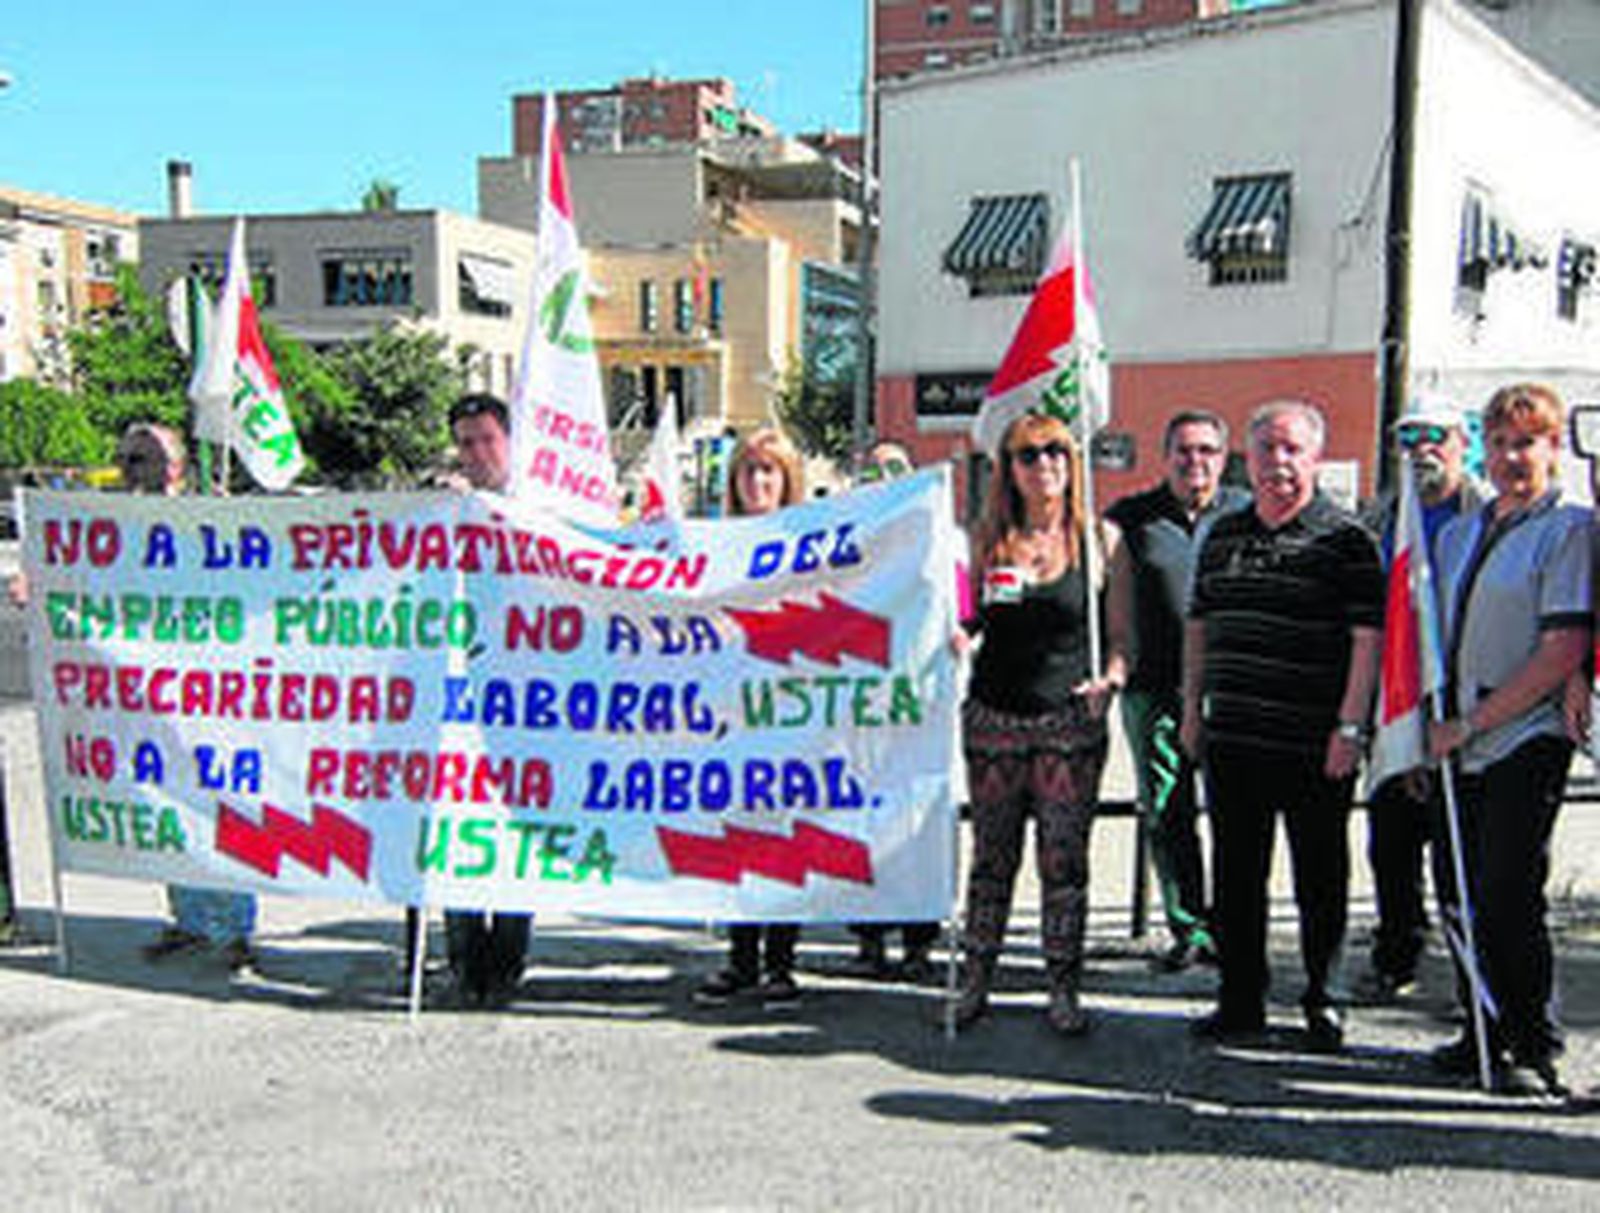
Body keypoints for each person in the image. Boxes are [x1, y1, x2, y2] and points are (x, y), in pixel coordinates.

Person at [1183, 400, 1383, 1052]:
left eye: (1292, 448)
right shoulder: (1223, 534)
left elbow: (1366, 641)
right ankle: (1240, 1000)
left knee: (1319, 878)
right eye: (1266, 448)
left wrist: (1350, 729)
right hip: (1235, 738)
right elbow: (1199, 629)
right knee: (1236, 879)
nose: (1278, 462)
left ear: (1315, 457)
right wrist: (1192, 709)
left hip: (1314, 743)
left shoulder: (1346, 539)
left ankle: (1325, 1000)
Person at [1426, 383, 1590, 1098]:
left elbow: (1561, 649)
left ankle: (1531, 1036)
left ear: (1553, 449)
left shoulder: (1570, 529)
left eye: (1526, 442)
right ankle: (1480, 1025)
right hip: (1454, 740)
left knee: (1504, 891)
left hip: (1521, 734)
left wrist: (1475, 723)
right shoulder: (1463, 528)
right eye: (1497, 443)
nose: (1510, 457)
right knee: (1456, 889)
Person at [953, 411, 1126, 1036]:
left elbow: (1121, 639)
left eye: (1056, 451)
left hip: (1068, 725)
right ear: (1011, 469)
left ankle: (1062, 986)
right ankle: (975, 979)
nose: (1045, 463)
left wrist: (1112, 679)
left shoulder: (1101, 541)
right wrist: (957, 631)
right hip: (994, 719)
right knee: (991, 858)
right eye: (1029, 454)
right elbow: (968, 619)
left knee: (1063, 860)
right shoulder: (985, 539)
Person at [110, 424, 260, 969]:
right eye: (126, 458)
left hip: (209, 700)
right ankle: (189, 921)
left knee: (221, 808)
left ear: (174, 466)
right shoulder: (114, 527)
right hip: (146, 702)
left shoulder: (207, 520)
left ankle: (236, 926)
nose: (130, 469)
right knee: (166, 808)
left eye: (142, 459)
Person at [1104, 409, 1245, 973]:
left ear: (1223, 457)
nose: (1196, 461)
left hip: (1229, 689)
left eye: (1207, 451)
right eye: (1184, 451)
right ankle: (1189, 926)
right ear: (1166, 457)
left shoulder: (1244, 513)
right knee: (1167, 811)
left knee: (1237, 813)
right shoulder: (1131, 519)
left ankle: (1234, 925)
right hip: (1154, 689)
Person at [1358, 394, 1484, 1003]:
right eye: (1408, 441)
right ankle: (1396, 958)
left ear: (1464, 442)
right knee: (1391, 852)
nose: (1421, 452)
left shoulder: (1487, 515)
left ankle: (1477, 990)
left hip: (1466, 713)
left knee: (1460, 866)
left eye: (1435, 437)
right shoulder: (1382, 519)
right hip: (1395, 705)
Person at [693, 425, 810, 1010]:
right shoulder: (713, 542)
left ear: (787, 480)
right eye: (749, 471)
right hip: (726, 711)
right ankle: (740, 959)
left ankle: (781, 963)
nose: (759, 481)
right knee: (736, 839)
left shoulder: (813, 541)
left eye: (770, 471)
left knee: (781, 838)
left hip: (788, 713)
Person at [439, 393, 531, 1007]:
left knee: (518, 834)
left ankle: (507, 960)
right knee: (452, 824)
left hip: (528, 702)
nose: (475, 454)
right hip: (455, 696)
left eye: (486, 440)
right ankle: (462, 958)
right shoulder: (442, 507)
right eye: (465, 442)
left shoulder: (539, 510)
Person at [842, 441, 941, 982]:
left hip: (920, 699)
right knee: (864, 821)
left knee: (918, 822)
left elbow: (964, 610)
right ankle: (868, 938)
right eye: (874, 471)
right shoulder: (845, 544)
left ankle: (920, 940)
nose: (884, 478)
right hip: (856, 702)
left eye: (895, 469)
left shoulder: (942, 540)